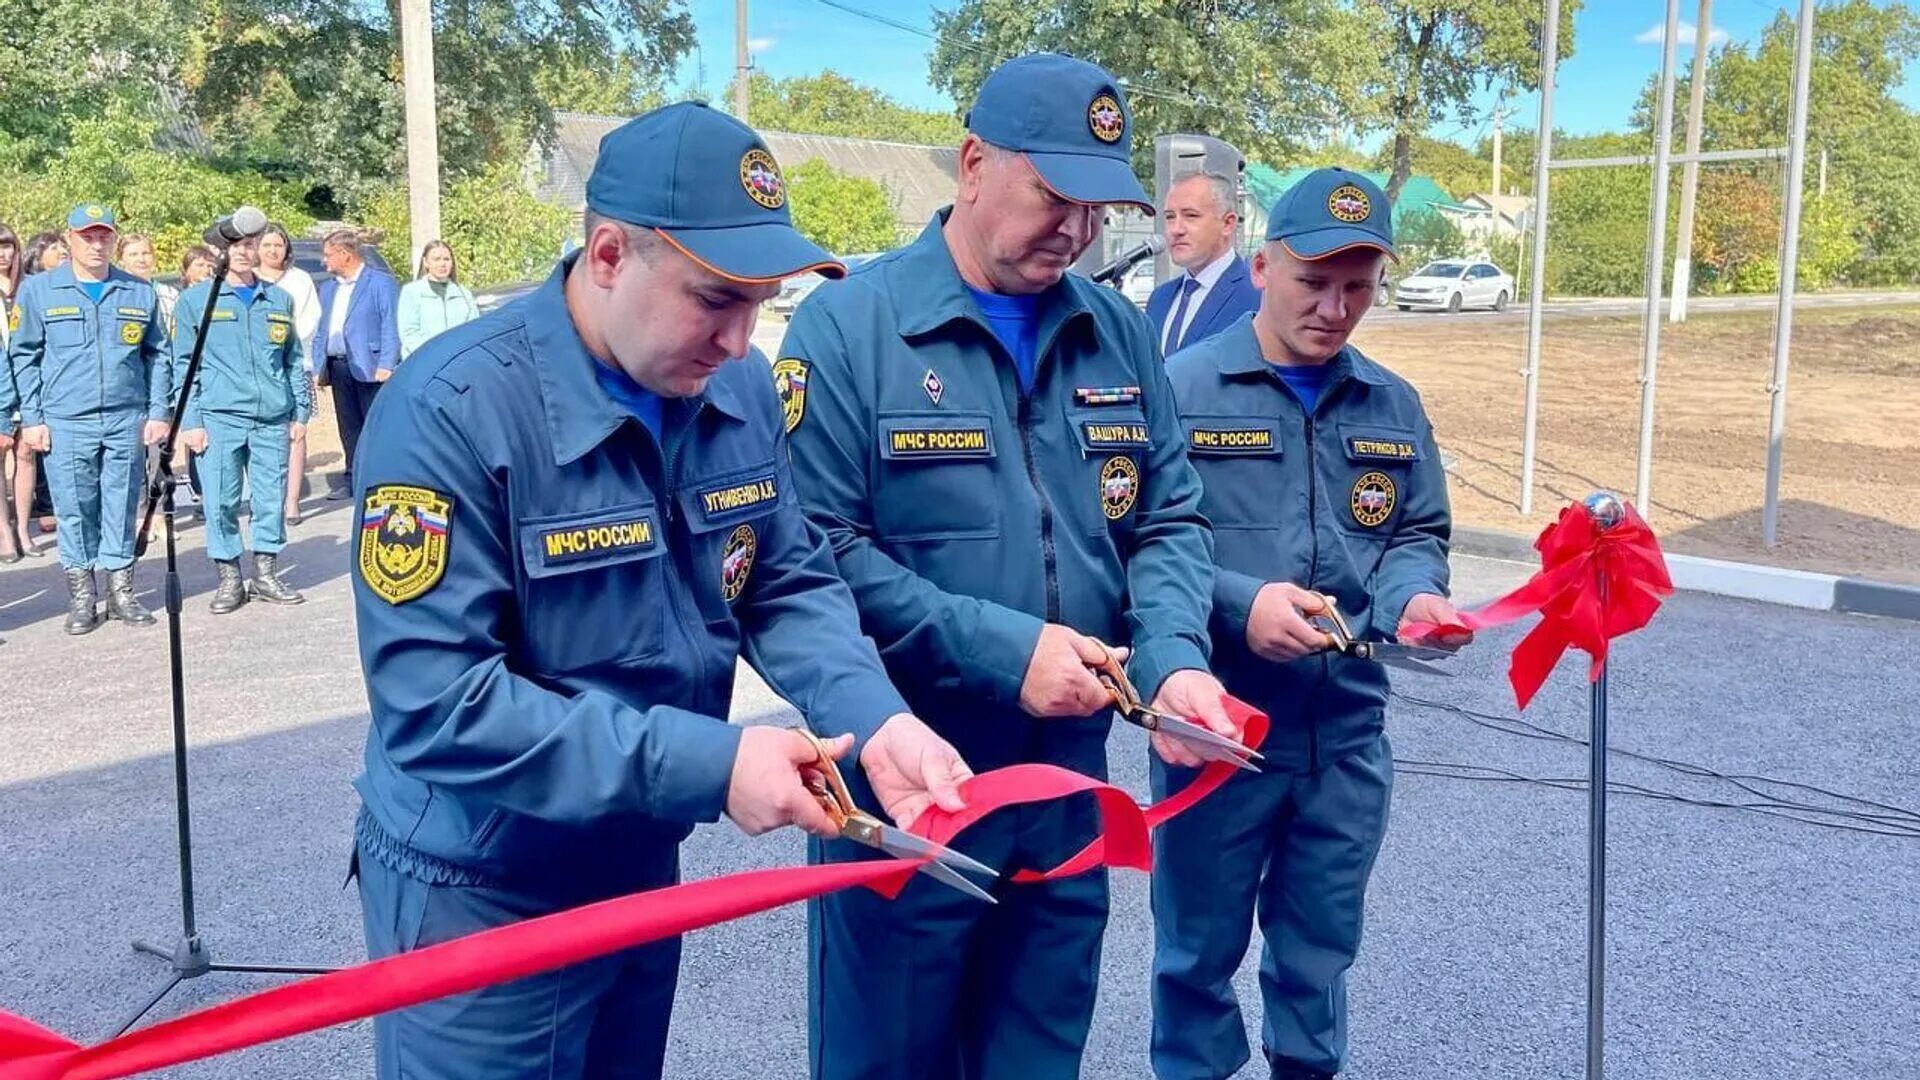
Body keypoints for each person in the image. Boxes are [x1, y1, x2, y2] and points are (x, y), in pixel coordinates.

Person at [349, 101, 976, 1080]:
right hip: (485, 885)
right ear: (608, 255)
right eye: (715, 299)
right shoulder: (449, 412)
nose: (739, 339)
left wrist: (877, 718)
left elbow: (786, 582)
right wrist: (716, 764)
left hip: (636, 863)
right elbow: (437, 707)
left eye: (759, 303)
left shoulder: (737, 391)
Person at [782, 53, 1232, 1079]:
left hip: (1070, 782)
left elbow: (1168, 521)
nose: (1076, 230)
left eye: (1099, 207)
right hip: (905, 784)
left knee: (1038, 1056)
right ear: (974, 163)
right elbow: (812, 558)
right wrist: (1002, 650)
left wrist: (1173, 661)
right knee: (888, 1059)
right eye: (1055, 196)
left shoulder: (1116, 331)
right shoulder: (851, 326)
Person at [1153, 169, 1473, 1080]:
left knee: (1319, 957)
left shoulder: (1391, 404)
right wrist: (1235, 603)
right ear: (1260, 266)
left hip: (1345, 739)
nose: (1335, 308)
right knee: (1195, 961)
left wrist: (1414, 594)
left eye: (1357, 286)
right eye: (1313, 281)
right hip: (1219, 734)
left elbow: (1416, 528)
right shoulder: (1181, 388)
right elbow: (1135, 543)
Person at [6, 204, 170, 633]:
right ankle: (82, 595)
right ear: (69, 240)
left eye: (104, 236)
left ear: (114, 239)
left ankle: (122, 591)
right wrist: (33, 418)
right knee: (75, 508)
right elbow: (23, 356)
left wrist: (158, 412)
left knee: (121, 504)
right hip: (66, 418)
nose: (97, 244)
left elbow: (158, 355)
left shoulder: (138, 291)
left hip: (124, 416)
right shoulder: (40, 291)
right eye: (87, 237)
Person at [172, 233, 309, 612]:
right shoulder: (196, 300)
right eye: (237, 246)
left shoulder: (279, 299)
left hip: (271, 418)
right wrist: (192, 421)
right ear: (221, 251)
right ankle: (230, 577)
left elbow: (293, 359)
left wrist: (301, 411)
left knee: (269, 497)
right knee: (221, 500)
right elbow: (184, 365)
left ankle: (265, 572)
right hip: (220, 417)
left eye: (251, 246)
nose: (245, 253)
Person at [314, 229, 400, 498]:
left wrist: (387, 362)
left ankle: (382, 479)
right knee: (348, 426)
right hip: (339, 366)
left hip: (373, 367)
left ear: (345, 254)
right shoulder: (328, 289)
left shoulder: (380, 283)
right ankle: (353, 479)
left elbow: (390, 324)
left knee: (375, 425)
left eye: (328, 255)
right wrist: (319, 367)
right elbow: (322, 330)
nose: (324, 261)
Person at [1147, 171, 1259, 356]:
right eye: (1169, 217)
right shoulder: (1160, 298)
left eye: (1190, 215)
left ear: (1228, 224)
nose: (1176, 229)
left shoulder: (1257, 294)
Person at [256, 223, 322, 525]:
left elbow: (309, 319)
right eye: (266, 245)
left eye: (278, 245)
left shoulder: (300, 279)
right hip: (258, 367)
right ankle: (266, 501)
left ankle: (292, 502)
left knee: (296, 432)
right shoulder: (249, 278)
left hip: (296, 364)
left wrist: (283, 345)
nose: (272, 250)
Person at [396, 239, 480, 360]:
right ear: (426, 262)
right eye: (436, 259)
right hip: (423, 361)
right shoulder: (412, 292)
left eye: (446, 259)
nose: (442, 264)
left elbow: (473, 330)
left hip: (458, 361)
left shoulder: (464, 294)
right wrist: (438, 352)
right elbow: (409, 334)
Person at [0, 222, 25, 563]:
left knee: (26, 455)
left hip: (27, 382)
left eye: (8, 246)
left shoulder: (30, 287)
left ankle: (22, 529)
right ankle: (4, 531)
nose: (3, 254)